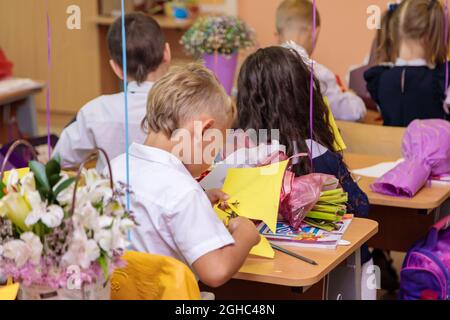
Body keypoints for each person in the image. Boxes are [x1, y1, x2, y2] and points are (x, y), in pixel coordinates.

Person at [236, 46, 376, 299]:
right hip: (327, 278)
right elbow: (360, 210)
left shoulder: (239, 156)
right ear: (303, 96)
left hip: (263, 276)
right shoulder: (321, 156)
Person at [110, 63, 260, 288]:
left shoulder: (115, 167)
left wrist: (200, 202)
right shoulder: (184, 192)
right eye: (216, 144)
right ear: (203, 130)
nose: (213, 157)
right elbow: (216, 271)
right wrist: (246, 235)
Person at [53, 13, 171, 169]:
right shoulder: (185, 107)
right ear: (166, 53)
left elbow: (60, 160)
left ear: (116, 68)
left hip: (112, 191)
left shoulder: (95, 111)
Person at [276, 0, 367, 122]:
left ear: (277, 34)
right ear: (315, 32)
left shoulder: (259, 68)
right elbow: (353, 112)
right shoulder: (317, 73)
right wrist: (352, 96)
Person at [365, 0, 450, 127]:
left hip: (386, 146)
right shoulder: (441, 79)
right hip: (432, 147)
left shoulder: (379, 78)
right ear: (432, 33)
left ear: (395, 30)